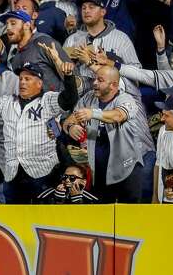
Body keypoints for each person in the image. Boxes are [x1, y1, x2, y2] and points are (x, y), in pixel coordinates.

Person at [0, 44, 79, 203]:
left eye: (28, 79)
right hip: (13, 175)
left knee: (43, 217)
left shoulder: (47, 101)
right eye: (21, 78)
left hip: (43, 173)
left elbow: (69, 100)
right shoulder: (8, 102)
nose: (22, 82)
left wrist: (69, 77)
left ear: (39, 84)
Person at [62, 64, 148, 203]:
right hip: (100, 171)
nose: (95, 83)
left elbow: (118, 116)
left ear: (113, 85)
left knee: (130, 216)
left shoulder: (126, 99)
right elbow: (68, 121)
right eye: (95, 79)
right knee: (102, 218)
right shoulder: (89, 98)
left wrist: (93, 113)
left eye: (100, 80)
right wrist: (71, 127)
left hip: (126, 169)